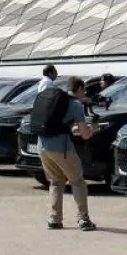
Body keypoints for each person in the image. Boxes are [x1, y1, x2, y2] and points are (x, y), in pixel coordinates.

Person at [34, 76, 96, 231]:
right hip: (61, 148)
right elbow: (85, 135)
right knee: (77, 181)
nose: (85, 93)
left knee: (55, 181)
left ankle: (54, 219)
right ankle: (83, 219)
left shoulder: (54, 100)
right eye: (84, 90)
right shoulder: (75, 104)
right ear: (80, 89)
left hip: (42, 146)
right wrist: (93, 128)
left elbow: (60, 124)